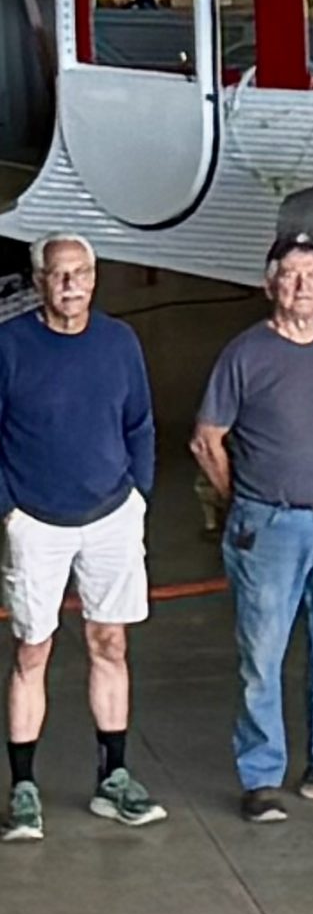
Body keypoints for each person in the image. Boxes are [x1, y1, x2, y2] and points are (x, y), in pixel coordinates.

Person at [191, 231, 313, 823]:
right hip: (269, 524)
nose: (303, 285)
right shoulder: (244, 354)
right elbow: (206, 440)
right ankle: (261, 775)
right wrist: (245, 499)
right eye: (292, 274)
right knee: (263, 651)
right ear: (269, 284)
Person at [0, 236, 163, 842]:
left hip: (112, 517)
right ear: (39, 281)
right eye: (58, 274)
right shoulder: (10, 346)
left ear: (95, 279)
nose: (70, 284)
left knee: (110, 645)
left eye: (81, 273)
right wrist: (10, 511)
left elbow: (140, 422)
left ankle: (114, 780)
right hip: (36, 522)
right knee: (31, 651)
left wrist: (138, 496)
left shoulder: (119, 343)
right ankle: (23, 790)